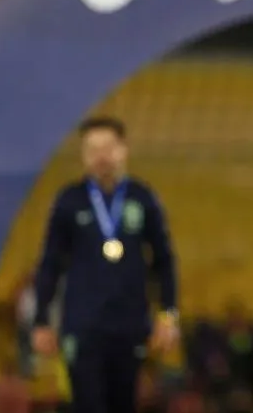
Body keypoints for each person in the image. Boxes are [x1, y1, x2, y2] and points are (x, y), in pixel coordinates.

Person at [31, 115, 180, 413]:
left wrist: (168, 314)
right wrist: (41, 320)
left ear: (123, 150)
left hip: (130, 326)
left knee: (123, 404)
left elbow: (163, 261)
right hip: (82, 327)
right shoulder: (69, 201)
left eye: (108, 148)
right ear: (83, 155)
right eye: (93, 150)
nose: (101, 157)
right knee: (88, 404)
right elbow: (50, 263)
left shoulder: (142, 198)